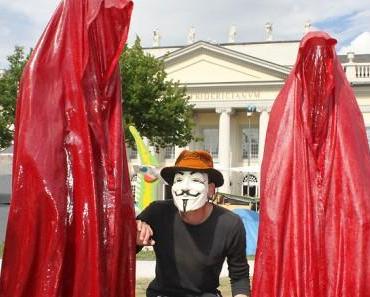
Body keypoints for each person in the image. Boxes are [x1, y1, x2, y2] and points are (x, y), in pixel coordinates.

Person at [136, 150, 250, 297]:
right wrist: (135, 233)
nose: (185, 187)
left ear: (210, 190)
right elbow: (123, 250)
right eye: (179, 180)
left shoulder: (230, 223)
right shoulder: (157, 212)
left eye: (195, 180)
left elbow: (239, 275)